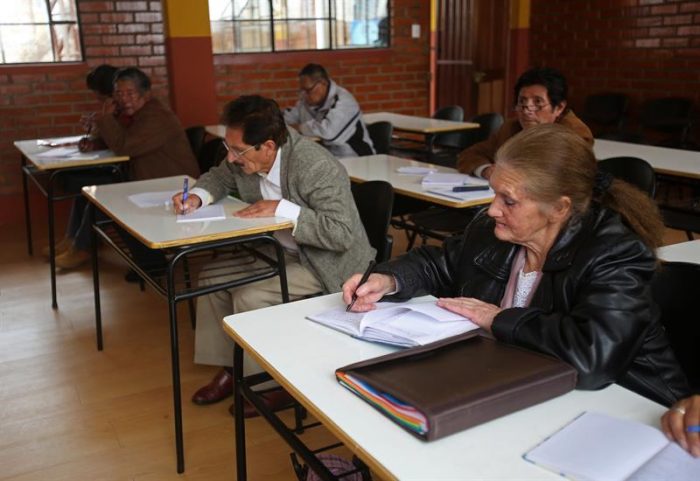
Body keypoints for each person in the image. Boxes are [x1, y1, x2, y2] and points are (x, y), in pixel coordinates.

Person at [343, 123, 689, 407]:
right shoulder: (494, 229)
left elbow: (591, 357)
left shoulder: (614, 253)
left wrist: (497, 319)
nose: (492, 209)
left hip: (633, 410)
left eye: (508, 200)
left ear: (559, 208)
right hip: (526, 388)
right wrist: (389, 280)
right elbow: (440, 263)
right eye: (493, 193)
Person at [172, 95, 375, 416]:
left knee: (251, 296)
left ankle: (270, 384)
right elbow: (220, 176)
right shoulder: (245, 155)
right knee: (211, 278)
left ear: (267, 146)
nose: (231, 157)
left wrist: (283, 209)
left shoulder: (314, 165)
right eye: (229, 148)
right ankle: (231, 367)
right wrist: (197, 196)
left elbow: (340, 234)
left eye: (237, 151)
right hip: (280, 251)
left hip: (328, 262)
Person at [55, 67, 200, 269]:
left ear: (146, 93)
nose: (124, 99)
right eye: (118, 94)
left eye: (130, 93)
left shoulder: (157, 117)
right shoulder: (137, 113)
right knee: (91, 192)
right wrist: (96, 136)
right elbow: (118, 141)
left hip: (172, 185)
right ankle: (75, 241)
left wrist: (106, 119)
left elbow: (125, 146)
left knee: (108, 202)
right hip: (147, 179)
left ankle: (150, 262)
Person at [457, 67, 593, 180]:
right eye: (522, 102)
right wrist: (486, 170)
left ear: (559, 108)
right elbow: (469, 154)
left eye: (537, 103)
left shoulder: (574, 133)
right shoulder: (511, 127)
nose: (527, 111)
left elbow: (555, 177)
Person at [283, 63, 375, 157]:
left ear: (323, 83)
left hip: (355, 158)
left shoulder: (343, 101)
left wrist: (299, 127)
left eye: (308, 90)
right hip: (329, 159)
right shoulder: (306, 102)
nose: (304, 95)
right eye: (301, 90)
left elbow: (329, 133)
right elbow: (287, 119)